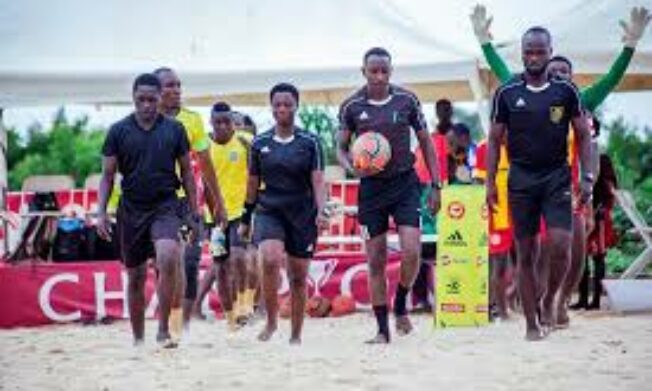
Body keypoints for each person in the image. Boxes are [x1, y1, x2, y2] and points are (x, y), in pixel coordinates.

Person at [471, 5, 650, 326]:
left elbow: (611, 79)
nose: (555, 75)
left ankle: (560, 299)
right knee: (538, 252)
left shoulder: (581, 99)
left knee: (573, 250)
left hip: (572, 188)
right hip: (533, 184)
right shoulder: (522, 90)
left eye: (562, 72)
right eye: (552, 71)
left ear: (572, 79)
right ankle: (538, 302)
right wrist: (484, 40)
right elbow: (501, 72)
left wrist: (629, 46)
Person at [487, 27, 592, 340]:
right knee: (526, 252)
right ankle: (532, 323)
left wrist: (587, 177)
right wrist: (490, 182)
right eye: (528, 52)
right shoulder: (506, 93)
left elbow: (584, 135)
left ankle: (549, 300)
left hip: (556, 176)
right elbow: (493, 140)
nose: (534, 57)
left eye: (540, 52)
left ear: (549, 51)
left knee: (561, 246)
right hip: (519, 178)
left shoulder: (566, 91)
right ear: (522, 53)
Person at [337, 47, 441, 344]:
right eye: (374, 71)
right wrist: (352, 169)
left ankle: (401, 303)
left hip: (405, 183)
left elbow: (426, 143)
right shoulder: (351, 106)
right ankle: (383, 330)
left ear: (391, 72)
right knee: (376, 260)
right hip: (371, 189)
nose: (379, 76)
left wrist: (436, 185)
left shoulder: (406, 100)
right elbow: (341, 148)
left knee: (412, 251)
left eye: (384, 71)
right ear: (364, 71)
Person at [97, 73, 199, 348]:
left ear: (160, 98)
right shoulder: (118, 131)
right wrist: (101, 212)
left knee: (167, 257)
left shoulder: (174, 129)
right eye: (140, 99)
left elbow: (188, 173)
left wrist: (194, 211)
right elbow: (107, 176)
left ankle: (164, 328)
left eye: (151, 99)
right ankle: (138, 338)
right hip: (131, 208)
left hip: (165, 205)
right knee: (136, 276)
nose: (146, 105)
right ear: (133, 98)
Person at [239, 83, 327, 344]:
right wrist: (246, 218)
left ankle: (296, 335)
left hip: (303, 213)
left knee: (298, 277)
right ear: (272, 107)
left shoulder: (311, 142)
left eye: (288, 104)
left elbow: (319, 182)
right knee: (269, 258)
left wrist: (322, 212)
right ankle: (271, 321)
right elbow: (252, 184)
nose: (282, 109)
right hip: (270, 211)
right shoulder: (259, 143)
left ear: (296, 106)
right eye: (277, 104)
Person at [153, 67, 226, 335]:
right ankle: (170, 319)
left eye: (179, 85)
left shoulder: (192, 120)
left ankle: (176, 322)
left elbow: (206, 166)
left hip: (184, 200)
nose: (176, 90)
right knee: (161, 264)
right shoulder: (143, 121)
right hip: (151, 202)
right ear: (156, 91)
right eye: (170, 85)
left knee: (182, 259)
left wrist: (217, 203)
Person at [206, 102, 255, 330]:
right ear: (211, 122)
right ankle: (230, 317)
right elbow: (201, 184)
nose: (224, 126)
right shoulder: (203, 147)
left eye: (228, 121)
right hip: (214, 218)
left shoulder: (245, 141)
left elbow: (258, 172)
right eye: (219, 122)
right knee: (220, 267)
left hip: (240, 212)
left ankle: (245, 304)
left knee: (238, 256)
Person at [572, 154, 618, 310]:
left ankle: (590, 299)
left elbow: (607, 202)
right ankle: (589, 299)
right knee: (590, 260)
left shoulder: (597, 182)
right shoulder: (607, 183)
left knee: (591, 260)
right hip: (597, 220)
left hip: (596, 221)